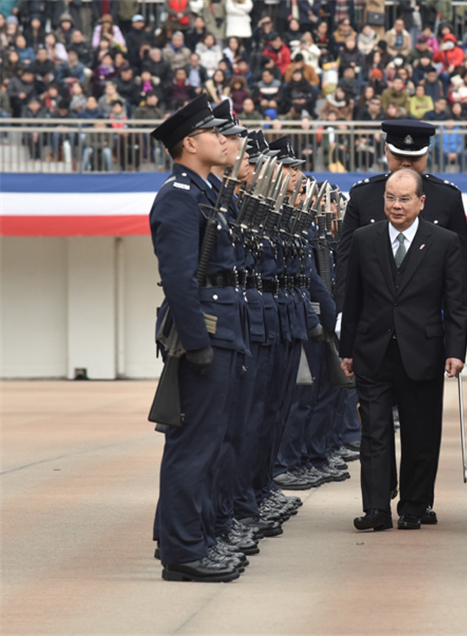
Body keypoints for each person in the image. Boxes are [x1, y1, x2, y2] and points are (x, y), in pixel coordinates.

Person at [148, 94, 247, 583]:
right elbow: (181, 279)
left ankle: (193, 538)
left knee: (209, 443)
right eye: (213, 133)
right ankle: (184, 552)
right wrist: (198, 342)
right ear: (190, 143)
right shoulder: (179, 196)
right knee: (194, 446)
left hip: (220, 329)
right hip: (203, 334)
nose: (223, 139)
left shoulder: (203, 192)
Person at [340, 169, 467, 531]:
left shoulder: (443, 241)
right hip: (373, 350)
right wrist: (346, 349)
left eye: (404, 199)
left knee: (420, 434)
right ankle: (377, 508)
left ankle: (414, 505)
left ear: (421, 202)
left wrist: (456, 349)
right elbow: (353, 298)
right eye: (390, 198)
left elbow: (458, 301)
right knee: (375, 432)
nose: (396, 206)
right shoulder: (365, 238)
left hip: (423, 351)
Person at [335, 120, 467, 310]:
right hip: (373, 314)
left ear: (427, 153)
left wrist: (461, 316)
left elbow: (460, 267)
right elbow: (346, 262)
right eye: (399, 155)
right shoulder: (362, 195)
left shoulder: (448, 197)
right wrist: (342, 311)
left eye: (414, 157)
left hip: (429, 318)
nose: (406, 163)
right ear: (386, 150)